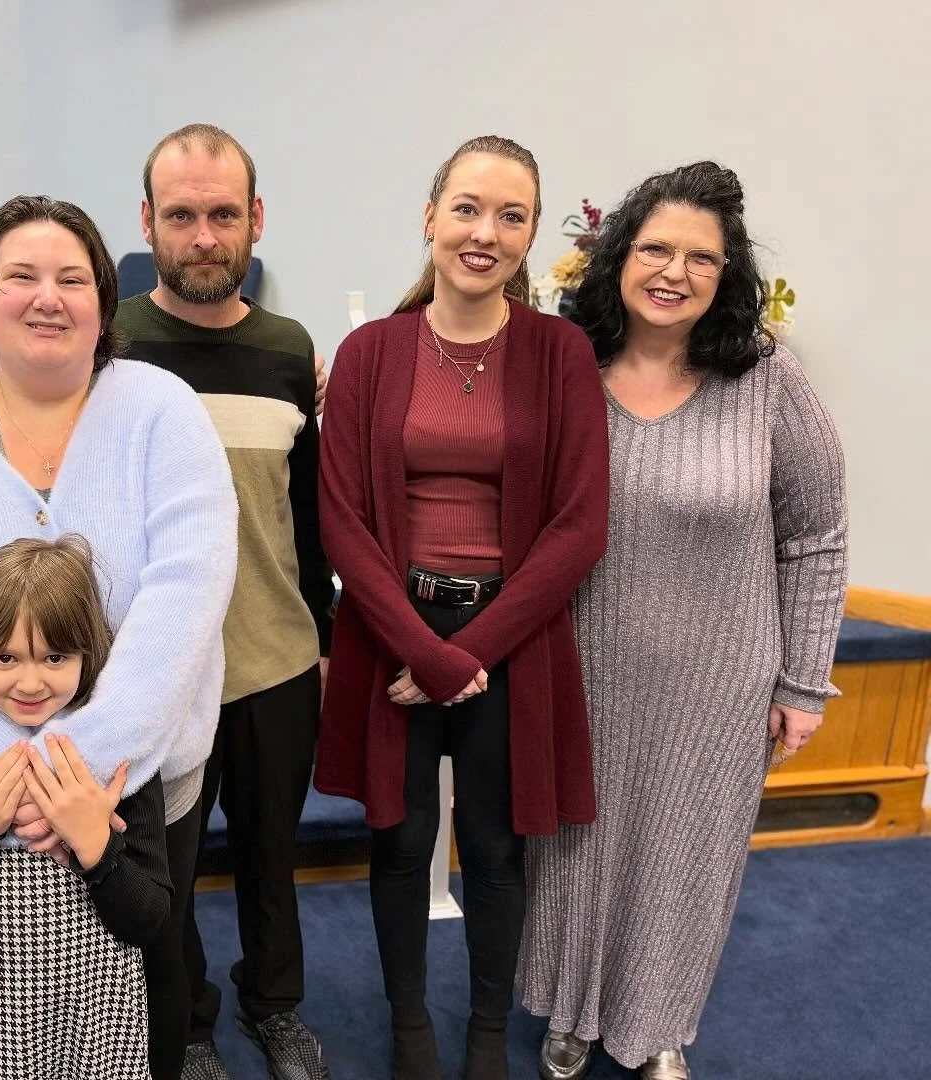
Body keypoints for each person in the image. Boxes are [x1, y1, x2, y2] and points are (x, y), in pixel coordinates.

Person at [0, 189, 238, 1065]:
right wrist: (10, 778)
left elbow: (190, 586)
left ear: (105, 300)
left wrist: (82, 763)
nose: (47, 296)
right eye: (19, 275)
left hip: (135, 774)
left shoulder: (162, 407)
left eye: (72, 277)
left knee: (151, 960)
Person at [519, 162, 848, 1080]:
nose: (674, 270)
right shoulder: (564, 364)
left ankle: (658, 1022)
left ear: (726, 274)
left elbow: (816, 535)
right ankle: (569, 1012)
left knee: (683, 860)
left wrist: (803, 681)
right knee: (571, 853)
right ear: (618, 255)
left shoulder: (768, 379)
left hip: (718, 680)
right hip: (581, 667)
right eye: (656, 247)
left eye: (700, 258)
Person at [314, 135, 610, 1080]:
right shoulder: (372, 352)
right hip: (393, 634)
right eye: (469, 208)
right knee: (399, 843)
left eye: (511, 215)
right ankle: (411, 1033)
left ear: (529, 234)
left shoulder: (562, 353)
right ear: (431, 215)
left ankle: (485, 1037)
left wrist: (469, 651)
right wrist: (424, 648)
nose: (485, 232)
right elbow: (342, 521)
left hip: (509, 639)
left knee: (492, 848)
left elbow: (578, 526)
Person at [112, 123, 334, 1080]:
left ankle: (273, 1005)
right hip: (158, 667)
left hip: (276, 658)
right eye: (182, 215)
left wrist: (323, 636)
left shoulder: (290, 348)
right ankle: (189, 1021)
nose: (204, 236)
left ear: (256, 220)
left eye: (223, 215)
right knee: (167, 868)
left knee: (271, 859)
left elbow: (312, 509)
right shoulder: (110, 344)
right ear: (149, 223)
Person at [0, 535, 171, 1080]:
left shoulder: (121, 753)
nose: (29, 681)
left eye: (55, 657)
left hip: (97, 1032)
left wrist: (95, 844)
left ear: (88, 649)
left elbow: (151, 920)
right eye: (5, 657)